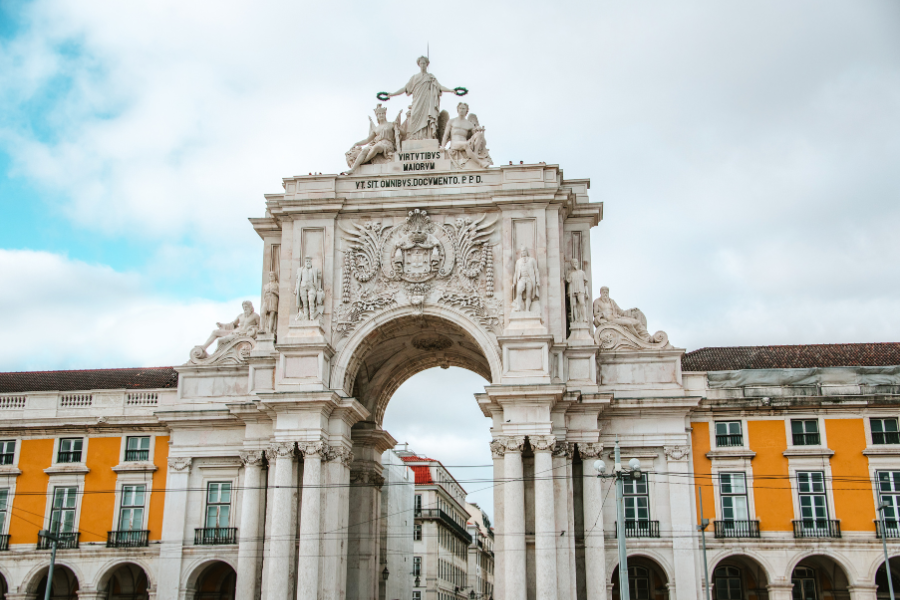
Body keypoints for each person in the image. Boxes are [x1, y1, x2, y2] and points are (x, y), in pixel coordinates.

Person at [385, 56, 459, 140]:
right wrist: (392, 94)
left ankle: (427, 136)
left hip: (427, 102)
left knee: (427, 118)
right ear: (419, 65)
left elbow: (440, 87)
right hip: (417, 101)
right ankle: (414, 137)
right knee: (414, 116)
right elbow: (405, 88)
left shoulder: (431, 77)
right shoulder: (414, 78)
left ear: (427, 64)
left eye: (424, 63)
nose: (422, 65)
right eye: (421, 63)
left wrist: (451, 90)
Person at [347, 104, 400, 173]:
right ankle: (353, 169)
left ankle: (363, 161)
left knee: (376, 147)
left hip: (387, 145)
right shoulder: (376, 128)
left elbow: (403, 133)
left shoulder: (391, 124)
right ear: (377, 116)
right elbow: (367, 140)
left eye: (382, 114)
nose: (381, 115)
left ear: (385, 114)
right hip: (379, 143)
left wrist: (397, 127)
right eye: (379, 114)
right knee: (365, 150)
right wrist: (357, 143)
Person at [512, 246, 540, 312]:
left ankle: (527, 309)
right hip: (521, 279)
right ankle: (518, 307)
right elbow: (516, 273)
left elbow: (536, 271)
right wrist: (514, 282)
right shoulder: (518, 261)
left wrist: (537, 281)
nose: (523, 252)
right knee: (519, 291)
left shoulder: (532, 260)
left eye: (524, 251)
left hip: (529, 279)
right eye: (522, 251)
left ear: (526, 251)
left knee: (528, 295)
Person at [566, 259, 589, 323]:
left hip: (580, 289)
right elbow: (568, 280)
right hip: (572, 290)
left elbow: (585, 284)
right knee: (573, 305)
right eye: (573, 262)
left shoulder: (581, 272)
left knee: (582, 303)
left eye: (576, 262)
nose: (575, 263)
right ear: (571, 264)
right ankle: (575, 319)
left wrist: (587, 292)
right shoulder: (570, 273)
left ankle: (584, 318)